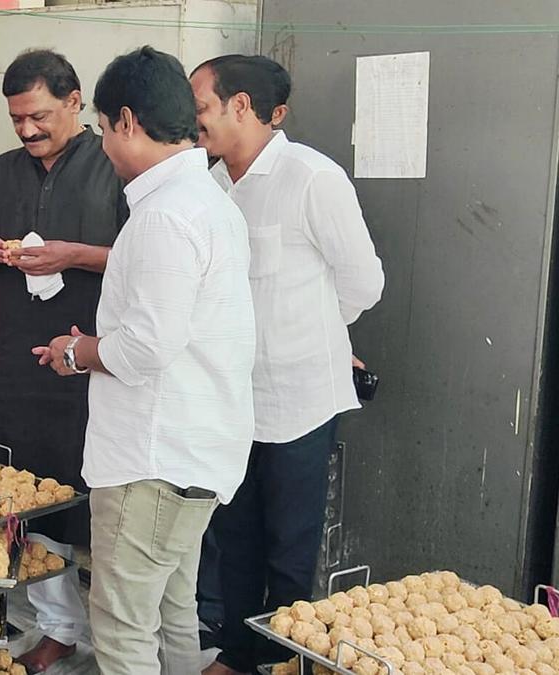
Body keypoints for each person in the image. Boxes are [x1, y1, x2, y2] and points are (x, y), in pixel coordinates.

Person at [34, 46, 256, 675]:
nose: (103, 144)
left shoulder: (165, 214)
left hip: (153, 463)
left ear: (127, 120)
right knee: (171, 613)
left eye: (103, 128)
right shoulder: (209, 202)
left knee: (124, 627)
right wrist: (102, 344)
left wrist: (78, 352)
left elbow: (147, 348)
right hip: (194, 454)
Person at [190, 55, 384, 675]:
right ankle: (241, 653)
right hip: (233, 396)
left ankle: (282, 660)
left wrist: (321, 332)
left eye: (200, 108)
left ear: (239, 106)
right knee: (234, 536)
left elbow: (364, 282)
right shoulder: (211, 183)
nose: (192, 123)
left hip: (300, 398)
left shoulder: (311, 177)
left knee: (290, 549)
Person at [0, 48, 126, 673]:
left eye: (39, 116)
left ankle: (120, 637)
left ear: (74, 102)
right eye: (16, 120)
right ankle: (58, 625)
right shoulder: (4, 173)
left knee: (101, 505)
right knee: (28, 498)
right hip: (21, 369)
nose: (28, 131)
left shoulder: (113, 166)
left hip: (99, 366)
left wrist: (73, 255)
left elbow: (139, 262)